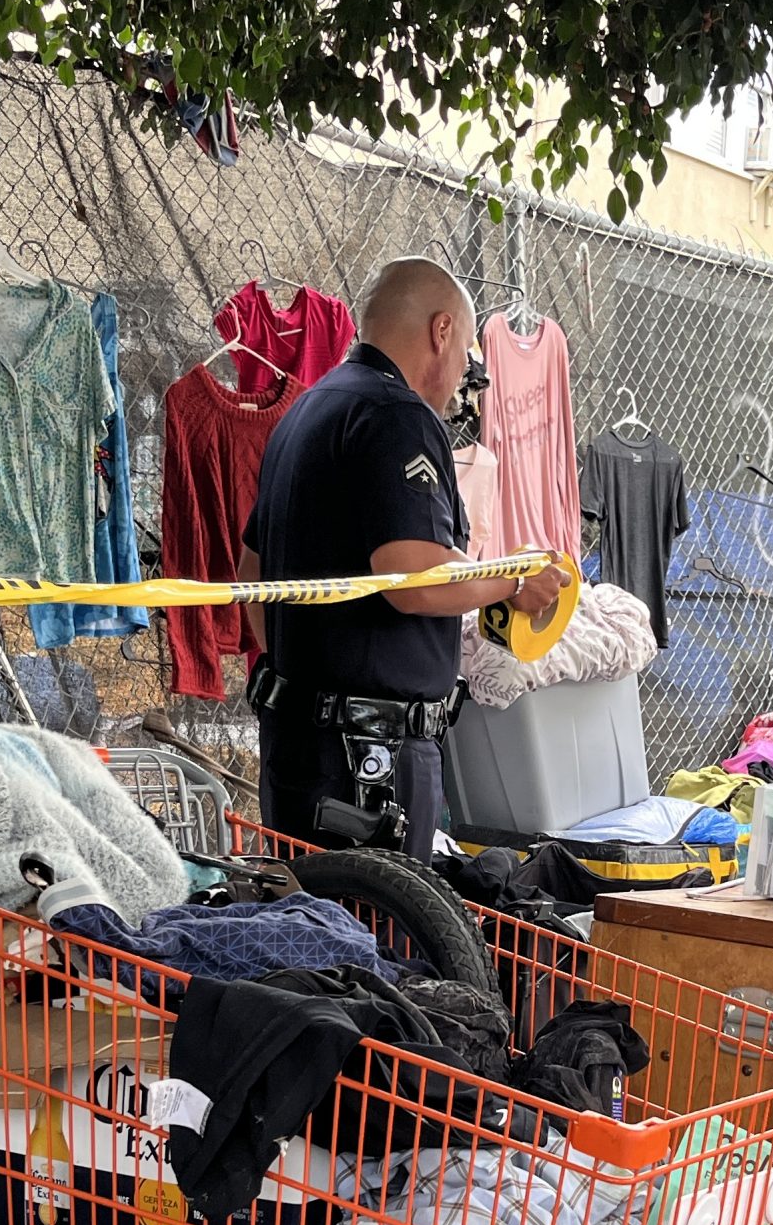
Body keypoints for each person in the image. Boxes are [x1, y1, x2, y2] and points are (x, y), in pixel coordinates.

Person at [239, 257, 563, 848]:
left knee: (306, 927)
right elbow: (412, 579)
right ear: (442, 331)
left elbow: (252, 571)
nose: (463, 372)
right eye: (466, 352)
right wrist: (514, 582)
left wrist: (309, 670)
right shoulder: (398, 417)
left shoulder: (308, 411)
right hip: (368, 758)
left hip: (299, 743)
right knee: (380, 937)